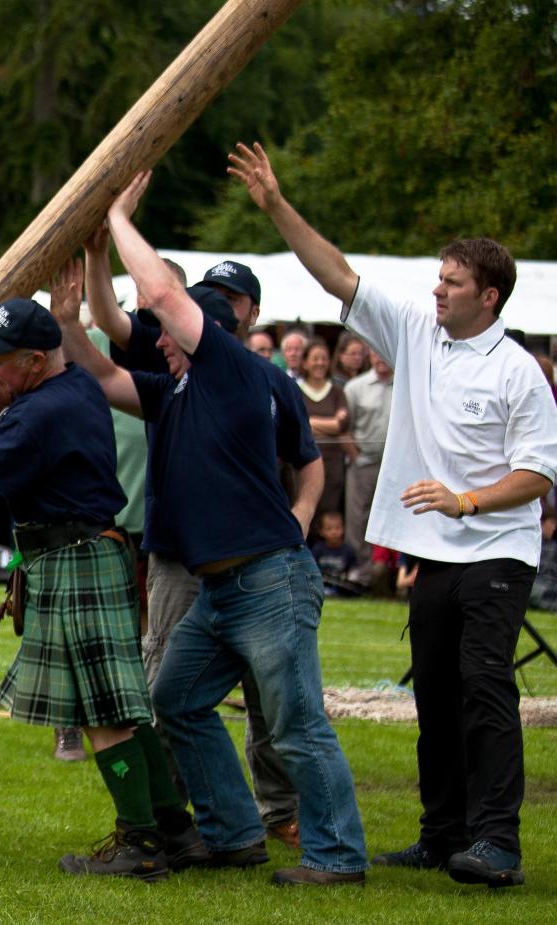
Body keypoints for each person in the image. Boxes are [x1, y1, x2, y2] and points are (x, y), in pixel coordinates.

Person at [232, 140, 557, 888]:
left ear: (491, 296)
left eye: (452, 283)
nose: (437, 292)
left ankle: (498, 842)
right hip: (435, 552)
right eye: (437, 280)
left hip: (497, 551)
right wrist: (276, 205)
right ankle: (442, 834)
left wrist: (467, 498)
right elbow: (337, 274)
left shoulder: (518, 371)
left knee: (485, 689)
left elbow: (538, 472)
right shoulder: (416, 331)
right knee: (435, 696)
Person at [60, 172, 368, 886]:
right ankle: (233, 832)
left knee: (294, 723)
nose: (158, 339)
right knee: (176, 698)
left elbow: (163, 295)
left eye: (168, 331)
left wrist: (117, 214)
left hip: (267, 579)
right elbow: (102, 374)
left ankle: (337, 855)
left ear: (201, 332)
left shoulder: (232, 369)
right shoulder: (179, 391)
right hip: (221, 589)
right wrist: (71, 320)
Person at [0, 296, 207, 881]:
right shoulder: (70, 390)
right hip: (87, 554)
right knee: (123, 705)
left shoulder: (43, 412)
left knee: (102, 709)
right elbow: (7, 421)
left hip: (74, 562)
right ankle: (177, 831)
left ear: (36, 361)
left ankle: (140, 844)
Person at [79, 225, 302, 851]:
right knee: (168, 686)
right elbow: (106, 328)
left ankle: (277, 809)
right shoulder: (169, 360)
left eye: (230, 298)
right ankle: (176, 817)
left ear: (251, 313)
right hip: (180, 549)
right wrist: (98, 252)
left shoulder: (260, 377)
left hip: (254, 553)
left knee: (270, 693)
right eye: (207, 294)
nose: (215, 307)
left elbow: (307, 457)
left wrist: (303, 518)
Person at [342, 349, 393, 566]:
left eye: (385, 350)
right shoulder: (355, 387)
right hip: (363, 463)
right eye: (375, 351)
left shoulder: (407, 385)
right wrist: (356, 457)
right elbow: (344, 429)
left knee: (392, 518)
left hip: (394, 466)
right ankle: (359, 573)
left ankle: (387, 574)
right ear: (369, 355)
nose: (380, 356)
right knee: (357, 517)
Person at [298, 337, 350, 527]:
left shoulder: (337, 392)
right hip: (303, 464)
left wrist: (311, 422)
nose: (320, 363)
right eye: (315, 358)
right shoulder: (295, 390)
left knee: (331, 518)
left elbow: (340, 426)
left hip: (332, 464)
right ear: (305, 362)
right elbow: (297, 425)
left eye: (324, 358)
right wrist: (328, 424)